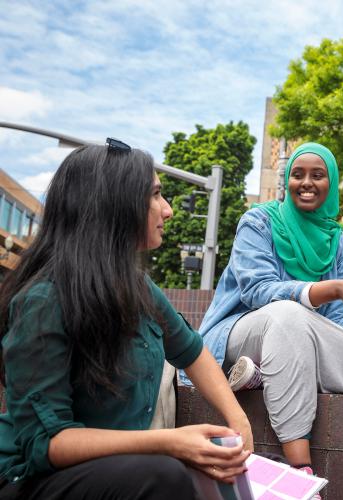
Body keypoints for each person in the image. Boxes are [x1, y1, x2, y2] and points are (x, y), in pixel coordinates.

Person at [0, 141, 253, 499]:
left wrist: (238, 422)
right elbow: (49, 443)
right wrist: (169, 442)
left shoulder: (139, 288)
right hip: (27, 481)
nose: (167, 210)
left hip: (114, 472)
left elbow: (193, 352)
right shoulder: (43, 301)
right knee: (164, 475)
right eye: (155, 196)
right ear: (114, 205)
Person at [192, 142, 343, 475]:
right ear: (287, 181)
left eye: (318, 175)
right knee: (289, 315)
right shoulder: (258, 221)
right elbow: (256, 290)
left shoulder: (340, 242)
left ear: (330, 184)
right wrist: (330, 289)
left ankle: (268, 373)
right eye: (297, 174)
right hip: (239, 331)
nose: (306, 182)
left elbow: (335, 318)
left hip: (299, 338)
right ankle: (301, 468)